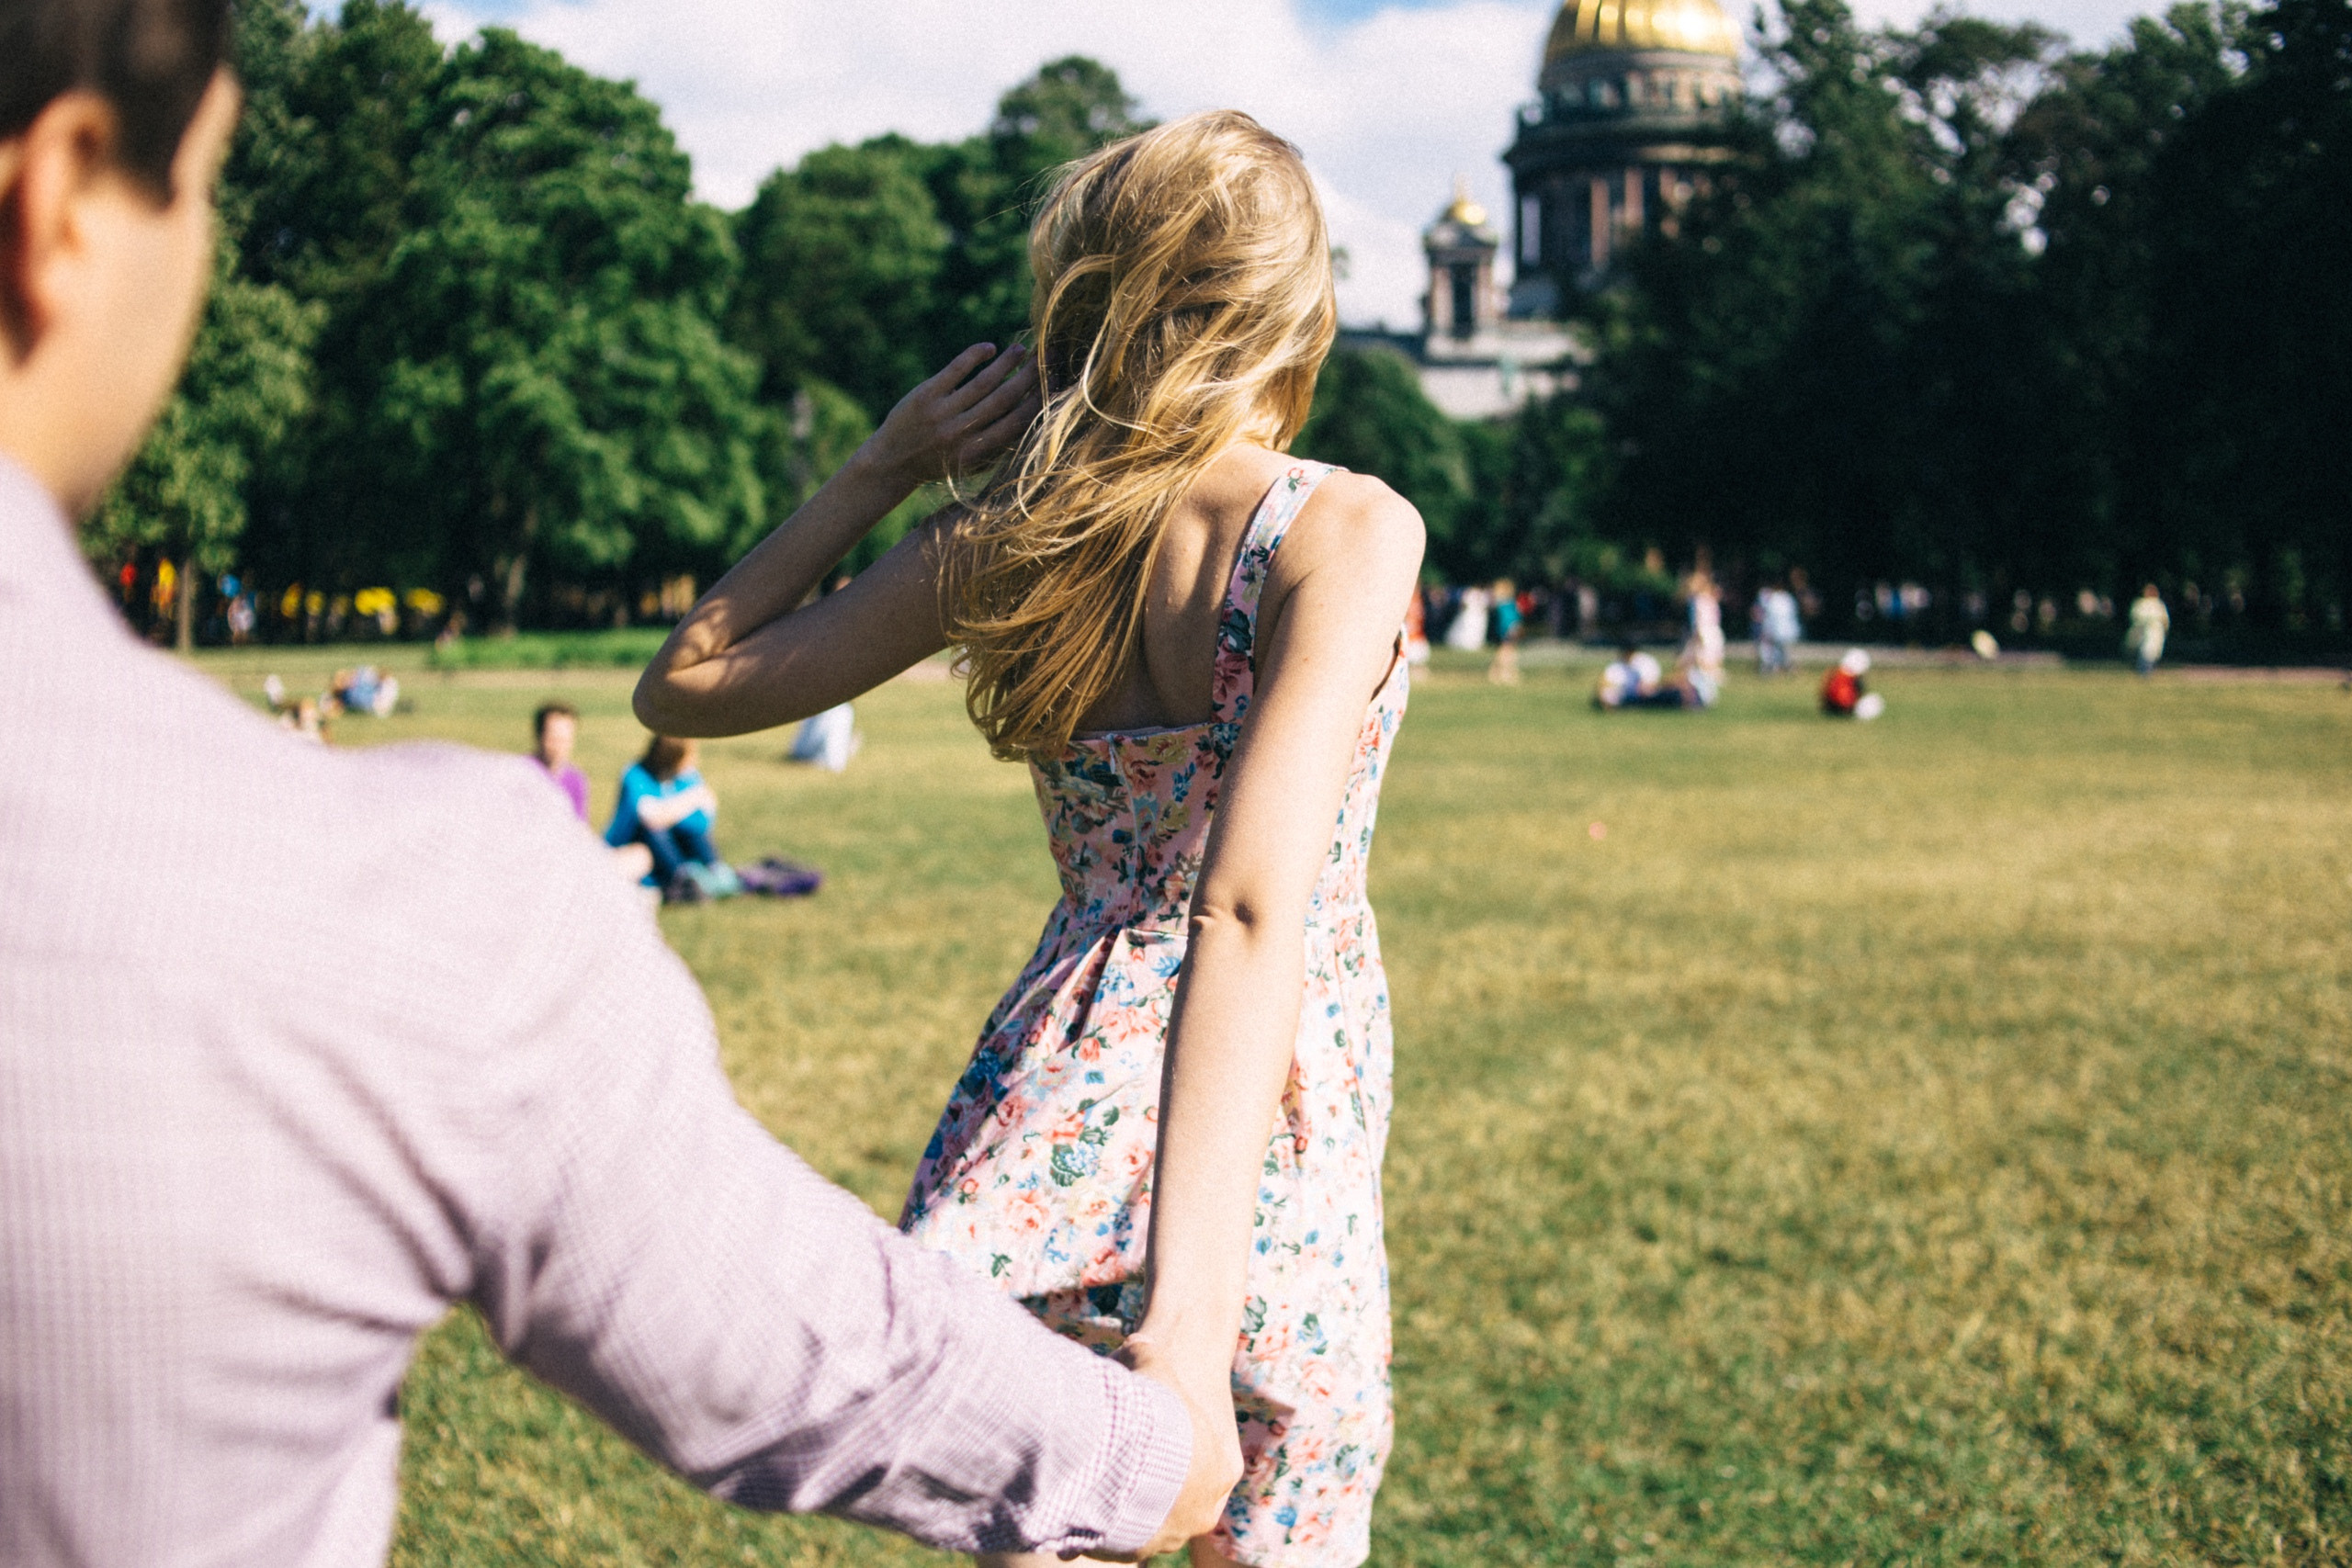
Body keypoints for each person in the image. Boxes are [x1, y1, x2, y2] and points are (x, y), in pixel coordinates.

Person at [0, 6, 1235, 1562]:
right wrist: (1154, 1451)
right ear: (61, 202)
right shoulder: (392, 905)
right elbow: (797, 1353)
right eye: (207, 191)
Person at [635, 111, 1422, 1568]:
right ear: (1291, 314)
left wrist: (880, 469)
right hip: (1265, 1111)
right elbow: (1247, 910)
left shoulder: (1015, 536)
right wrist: (1189, 1318)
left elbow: (684, 677)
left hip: (1057, 1097)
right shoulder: (1343, 531)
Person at [605, 734, 739, 901]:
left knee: (695, 831)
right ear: (674, 757)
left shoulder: (687, 776)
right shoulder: (636, 774)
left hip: (678, 844)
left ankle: (716, 870)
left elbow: (704, 819)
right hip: (637, 844)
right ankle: (682, 879)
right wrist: (691, 800)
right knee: (655, 830)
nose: (695, 760)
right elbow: (649, 817)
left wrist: (670, 811)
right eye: (691, 755)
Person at [1821, 649, 1886, 719]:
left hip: (1833, 707)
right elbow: (1843, 699)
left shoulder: (1836, 673)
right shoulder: (1844, 678)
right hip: (1841, 708)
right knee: (1875, 701)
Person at [1756, 580, 1801, 673]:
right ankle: (1780, 666)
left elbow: (1770, 615)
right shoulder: (1788, 598)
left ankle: (1773, 666)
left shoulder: (1774, 598)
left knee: (1772, 649)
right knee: (1781, 649)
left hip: (1777, 628)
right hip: (1786, 629)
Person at [2128, 583, 2170, 676]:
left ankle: (2147, 671)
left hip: (2156, 632)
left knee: (2153, 652)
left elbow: (2164, 620)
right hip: (2143, 632)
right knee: (2145, 651)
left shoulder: (2158, 604)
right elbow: (2136, 617)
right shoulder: (2141, 603)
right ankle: (2143, 671)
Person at [1487, 576, 1522, 684]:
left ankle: (1496, 673)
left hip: (1506, 630)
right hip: (1507, 630)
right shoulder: (1508, 605)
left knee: (1504, 652)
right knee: (1507, 652)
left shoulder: (1503, 605)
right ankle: (1505, 673)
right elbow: (1514, 618)